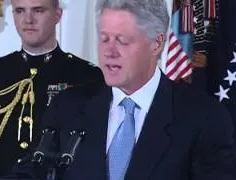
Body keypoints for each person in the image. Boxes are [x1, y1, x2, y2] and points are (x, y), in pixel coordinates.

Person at [36, 0, 236, 179]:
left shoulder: (205, 118)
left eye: (122, 40)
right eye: (104, 38)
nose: (109, 51)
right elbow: (33, 171)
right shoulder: (67, 107)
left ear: (156, 44)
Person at [0, 0, 103, 178]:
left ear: (57, 15)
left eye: (38, 11)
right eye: (20, 11)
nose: (28, 20)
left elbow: (93, 148)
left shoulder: (85, 75)